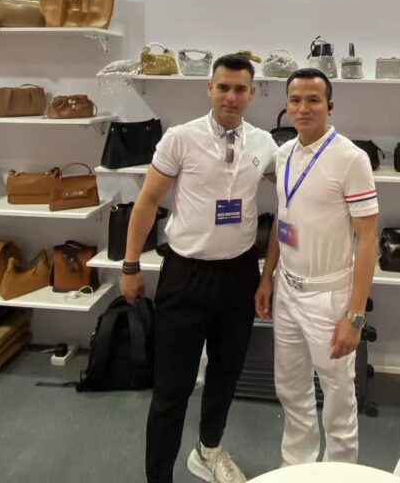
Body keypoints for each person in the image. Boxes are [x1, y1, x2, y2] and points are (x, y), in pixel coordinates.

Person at [121, 54, 278, 483]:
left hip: (239, 276)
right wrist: (131, 265)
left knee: (225, 376)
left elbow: (294, 192)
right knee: (172, 389)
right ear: (209, 88)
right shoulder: (180, 138)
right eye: (223, 87)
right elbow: (147, 202)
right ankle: (159, 477)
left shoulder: (264, 144)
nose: (231, 96)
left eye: (240, 89)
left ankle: (208, 451)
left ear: (252, 93)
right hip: (186, 275)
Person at [255, 68, 379, 466]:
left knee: (338, 398)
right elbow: (283, 218)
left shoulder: (350, 159)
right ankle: (297, 467)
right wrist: (267, 278)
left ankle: (339, 472)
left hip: (329, 297)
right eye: (295, 100)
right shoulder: (284, 154)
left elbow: (369, 240)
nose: (303, 108)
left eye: (313, 100)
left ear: (329, 106)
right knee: (291, 389)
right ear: (286, 105)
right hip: (287, 291)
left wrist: (355, 316)